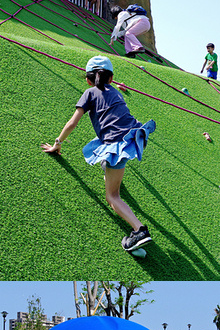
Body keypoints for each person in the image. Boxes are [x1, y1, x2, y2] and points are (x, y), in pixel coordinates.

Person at [42, 56, 158, 253]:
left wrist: (57, 144)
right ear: (111, 79)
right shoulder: (116, 93)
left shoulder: (89, 93)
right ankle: (109, 167)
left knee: (112, 196)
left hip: (116, 144)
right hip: (131, 138)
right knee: (109, 159)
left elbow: (72, 123)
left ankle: (139, 230)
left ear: (88, 79)